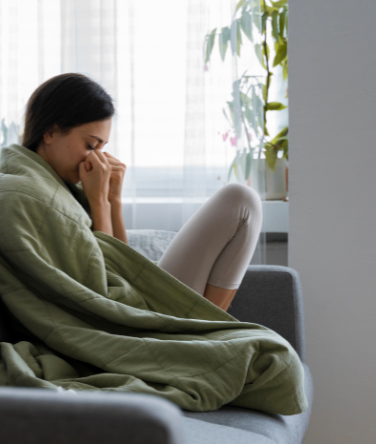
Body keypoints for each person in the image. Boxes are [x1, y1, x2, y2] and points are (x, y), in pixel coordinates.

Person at [21, 72, 262, 311]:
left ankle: (202, 329)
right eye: (91, 145)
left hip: (133, 301)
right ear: (50, 132)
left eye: (102, 147)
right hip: (124, 315)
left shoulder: (64, 186)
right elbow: (104, 285)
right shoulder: (32, 194)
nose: (98, 157)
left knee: (242, 201)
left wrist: (112, 199)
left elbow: (124, 266)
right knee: (240, 201)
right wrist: (99, 203)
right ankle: (203, 331)